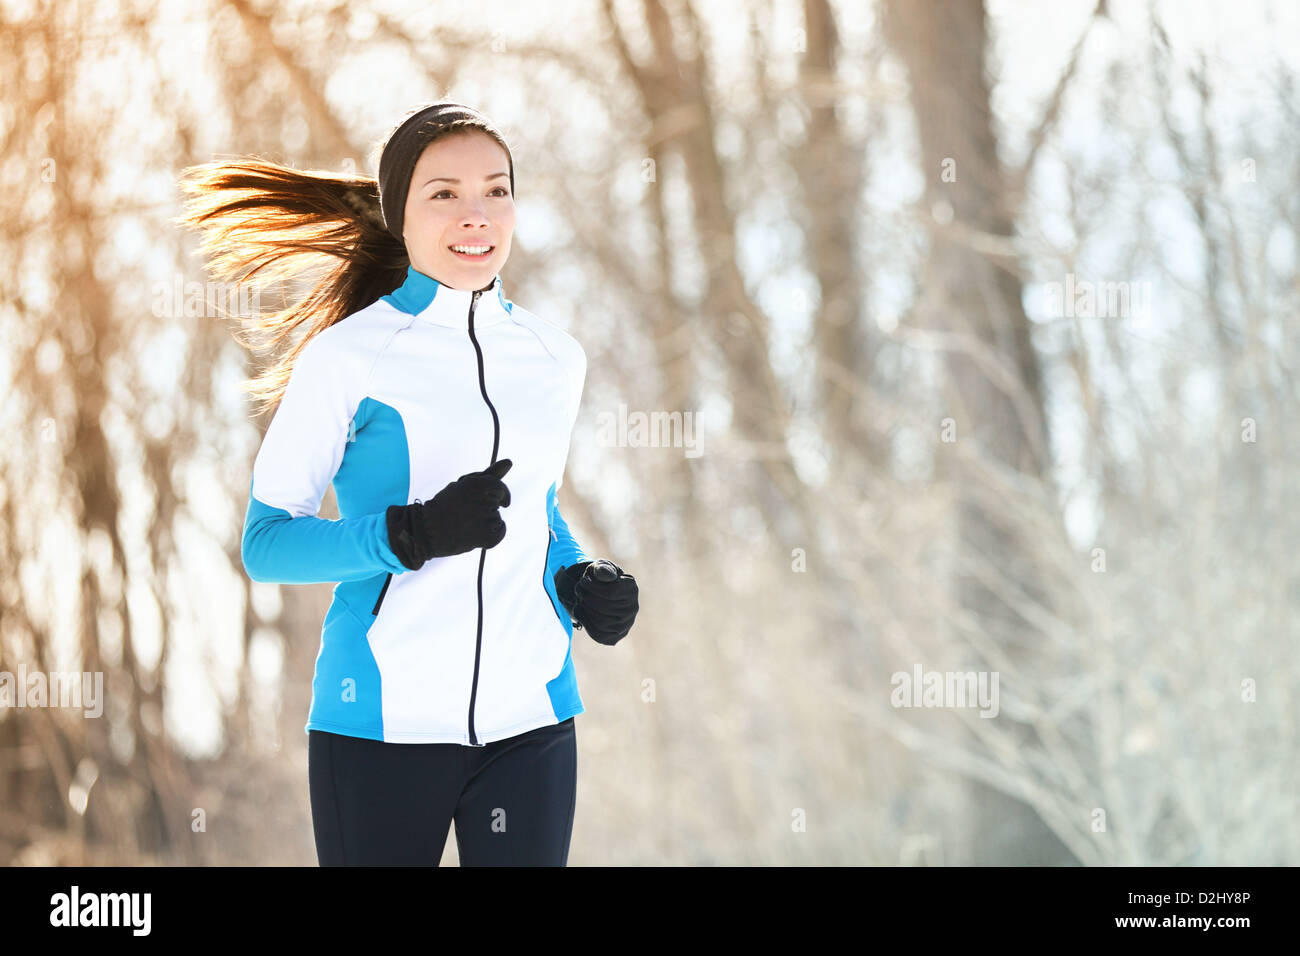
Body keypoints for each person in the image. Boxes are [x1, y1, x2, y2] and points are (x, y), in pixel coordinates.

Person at [176, 102, 640, 866]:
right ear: (400, 215)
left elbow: (536, 514)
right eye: (444, 193)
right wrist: (409, 535)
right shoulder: (349, 357)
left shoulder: (555, 359)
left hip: (532, 723)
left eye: (496, 190)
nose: (476, 214)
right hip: (381, 728)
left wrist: (579, 579)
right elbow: (266, 545)